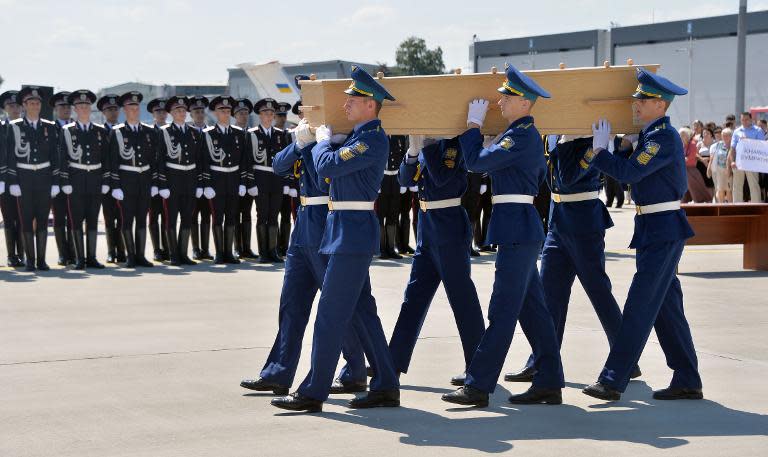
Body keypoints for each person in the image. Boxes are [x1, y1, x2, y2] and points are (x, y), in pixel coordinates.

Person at [271, 65, 400, 413]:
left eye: (353, 100)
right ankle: (387, 384)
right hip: (342, 230)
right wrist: (324, 142)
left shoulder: (372, 139)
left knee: (329, 314)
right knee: (363, 311)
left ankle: (313, 392)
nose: (345, 105)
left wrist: (324, 142)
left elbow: (327, 167)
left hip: (353, 233)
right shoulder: (359, 137)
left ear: (370, 105)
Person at [441, 65, 564, 408]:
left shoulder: (521, 135)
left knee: (503, 309)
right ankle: (550, 381)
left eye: (507, 97)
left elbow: (477, 162)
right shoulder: (520, 134)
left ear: (524, 103)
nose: (500, 101)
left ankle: (478, 385)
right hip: (518, 226)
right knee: (533, 311)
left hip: (517, 228)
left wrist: (473, 126)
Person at [582, 68, 702, 402]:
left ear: (661, 105)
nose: (636, 104)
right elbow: (633, 167)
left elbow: (631, 172)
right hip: (654, 227)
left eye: (643, 99)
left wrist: (601, 152)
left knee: (639, 305)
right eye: (636, 98)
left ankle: (612, 379)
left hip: (662, 228)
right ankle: (688, 378)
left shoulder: (662, 137)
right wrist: (618, 146)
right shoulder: (651, 137)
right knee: (665, 307)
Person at [240, 119, 366, 396]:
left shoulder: (341, 140)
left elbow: (326, 177)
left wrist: (325, 142)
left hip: (326, 222)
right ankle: (278, 372)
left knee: (334, 305)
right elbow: (278, 165)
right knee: (291, 303)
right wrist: (299, 143)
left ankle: (355, 369)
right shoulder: (309, 138)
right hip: (303, 222)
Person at [504, 133, 641, 384]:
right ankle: (542, 360)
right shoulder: (552, 136)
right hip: (558, 219)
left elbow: (569, 177)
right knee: (549, 297)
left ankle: (627, 359)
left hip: (584, 221)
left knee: (598, 292)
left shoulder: (587, 137)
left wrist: (564, 144)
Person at [387, 134, 486, 385]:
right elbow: (404, 179)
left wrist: (428, 146)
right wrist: (412, 152)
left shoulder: (453, 143)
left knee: (462, 299)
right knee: (414, 299)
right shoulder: (426, 142)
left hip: (449, 225)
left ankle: (479, 364)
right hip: (427, 228)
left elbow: (443, 179)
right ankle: (393, 362)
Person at [5, 86, 60, 272]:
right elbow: (10, 155)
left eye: (37, 103)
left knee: (43, 220)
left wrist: (55, 182)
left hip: (44, 178)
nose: (35, 106)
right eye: (31, 103)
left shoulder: (49, 127)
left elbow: (55, 156)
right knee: (26, 220)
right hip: (24, 179)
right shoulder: (15, 127)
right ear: (24, 105)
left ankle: (41, 260)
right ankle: (30, 260)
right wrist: (13, 182)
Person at [58, 90, 109, 270]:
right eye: (80, 106)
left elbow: (106, 159)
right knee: (76, 220)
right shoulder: (67, 131)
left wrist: (106, 181)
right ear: (75, 109)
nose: (84, 109)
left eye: (87, 105)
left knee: (93, 219)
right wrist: (64, 181)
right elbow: (62, 157)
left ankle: (92, 257)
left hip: (95, 179)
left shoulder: (100, 131)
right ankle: (80, 258)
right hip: (76, 180)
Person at [201, 96, 256, 264]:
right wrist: (206, 184)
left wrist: (243, 182)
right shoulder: (208, 134)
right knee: (217, 217)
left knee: (231, 216)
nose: (225, 114)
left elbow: (245, 161)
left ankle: (229, 252)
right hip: (216, 180)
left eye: (227, 111)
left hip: (233, 179)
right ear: (215, 113)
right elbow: (203, 161)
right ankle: (219, 252)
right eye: (221, 111)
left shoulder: (239, 133)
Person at [109, 91, 158, 268]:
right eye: (131, 107)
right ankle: (130, 255)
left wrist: (154, 182)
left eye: (137, 107)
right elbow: (112, 160)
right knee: (127, 219)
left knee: (141, 219)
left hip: (144, 180)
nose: (135, 110)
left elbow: (154, 159)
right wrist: (115, 185)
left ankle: (140, 255)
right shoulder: (117, 132)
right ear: (124, 110)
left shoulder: (148, 131)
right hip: (126, 181)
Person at [157, 96, 203, 266]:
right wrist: (162, 184)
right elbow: (159, 159)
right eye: (177, 111)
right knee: (170, 219)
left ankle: (183, 253)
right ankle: (173, 254)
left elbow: (199, 159)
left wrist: (199, 183)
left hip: (189, 180)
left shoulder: (193, 132)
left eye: (184, 111)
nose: (181, 113)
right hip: (172, 180)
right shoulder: (164, 132)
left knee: (187, 218)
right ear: (171, 113)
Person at [249, 98, 288, 263]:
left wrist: (287, 182)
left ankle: (273, 251)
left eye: (272, 113)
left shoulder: (280, 135)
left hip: (277, 179)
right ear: (260, 115)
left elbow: (286, 160)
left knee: (274, 216)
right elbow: (247, 160)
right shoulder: (252, 134)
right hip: (260, 178)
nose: (269, 116)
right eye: (266, 113)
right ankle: (263, 252)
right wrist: (250, 183)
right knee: (262, 215)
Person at [97, 93, 126, 264]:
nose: (113, 112)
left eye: (115, 109)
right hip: (104, 183)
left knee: (123, 217)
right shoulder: (99, 131)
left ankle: (122, 251)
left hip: (123, 181)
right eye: (109, 109)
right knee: (109, 217)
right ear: (103, 112)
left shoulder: (124, 129)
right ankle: (110, 251)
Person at [50, 91, 76, 266]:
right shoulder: (49, 127)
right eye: (62, 106)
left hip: (76, 180)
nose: (65, 109)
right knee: (59, 218)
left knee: (74, 218)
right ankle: (62, 253)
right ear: (55, 109)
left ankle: (74, 253)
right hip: (56, 181)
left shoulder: (77, 126)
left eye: (68, 106)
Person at [0, 90, 25, 267]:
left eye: (17, 105)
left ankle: (22, 253)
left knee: (23, 217)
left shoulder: (27, 126)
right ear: (4, 108)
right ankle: (11, 255)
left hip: (25, 180)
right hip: (4, 181)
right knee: (9, 218)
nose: (14, 108)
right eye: (10, 105)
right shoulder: (1, 127)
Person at [188, 96, 213, 261]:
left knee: (206, 215)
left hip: (210, 182)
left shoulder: (210, 132)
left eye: (201, 111)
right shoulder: (188, 133)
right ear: (191, 114)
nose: (199, 114)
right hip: (192, 181)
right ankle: (196, 248)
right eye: (196, 111)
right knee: (193, 216)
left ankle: (205, 249)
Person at [231, 98, 256, 260]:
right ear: (235, 115)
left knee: (246, 214)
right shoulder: (232, 133)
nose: (244, 116)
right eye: (240, 113)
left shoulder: (252, 133)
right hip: (234, 180)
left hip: (251, 180)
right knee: (234, 214)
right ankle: (236, 247)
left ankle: (246, 247)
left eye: (246, 113)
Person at [377, 134, 407, 259]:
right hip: (382, 178)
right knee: (381, 214)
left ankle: (391, 248)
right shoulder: (379, 136)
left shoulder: (399, 136)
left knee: (393, 214)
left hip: (395, 177)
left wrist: (403, 181)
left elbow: (404, 156)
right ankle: (382, 248)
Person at [147, 98, 169, 261]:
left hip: (170, 180)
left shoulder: (171, 130)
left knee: (168, 216)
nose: (161, 114)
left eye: (163, 111)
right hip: (153, 181)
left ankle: (168, 247)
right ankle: (156, 249)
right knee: (154, 216)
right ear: (153, 114)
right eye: (157, 111)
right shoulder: (148, 132)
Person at [728, 112, 766, 203]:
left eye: (746, 119)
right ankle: (737, 207)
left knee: (753, 185)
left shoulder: (758, 130)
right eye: (742, 120)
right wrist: (732, 161)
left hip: (752, 162)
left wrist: (747, 141)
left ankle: (756, 206)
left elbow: (761, 146)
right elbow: (732, 148)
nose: (744, 121)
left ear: (751, 119)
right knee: (737, 185)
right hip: (738, 162)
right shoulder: (737, 131)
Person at [681, 127, 712, 203]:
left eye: (683, 135)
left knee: (695, 190)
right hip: (685, 170)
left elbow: (690, 157)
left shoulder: (692, 144)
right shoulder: (683, 145)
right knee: (685, 191)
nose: (681, 137)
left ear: (687, 135)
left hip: (691, 170)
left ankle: (701, 204)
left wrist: (681, 159)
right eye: (680, 135)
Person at [708, 127, 733, 203]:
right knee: (720, 189)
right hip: (719, 169)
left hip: (729, 170)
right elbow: (712, 157)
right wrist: (709, 168)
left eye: (727, 135)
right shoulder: (718, 144)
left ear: (731, 136)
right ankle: (721, 206)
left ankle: (730, 207)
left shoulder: (733, 145)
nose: (724, 137)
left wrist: (729, 169)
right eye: (723, 135)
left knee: (729, 190)